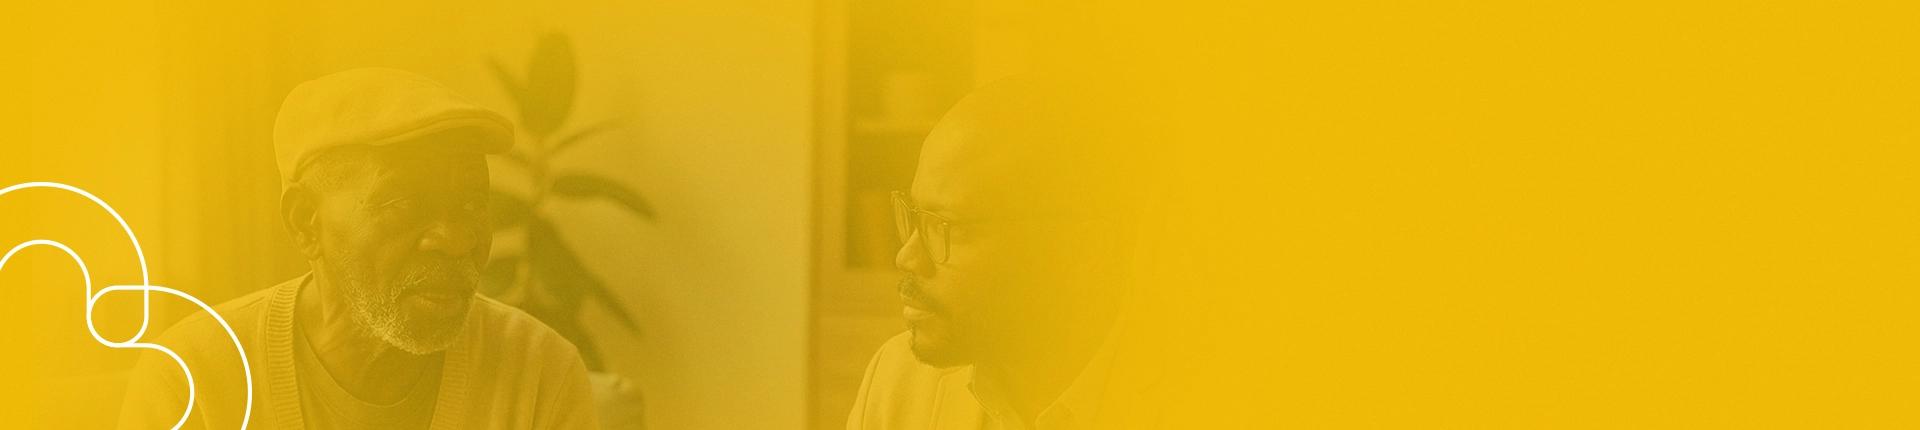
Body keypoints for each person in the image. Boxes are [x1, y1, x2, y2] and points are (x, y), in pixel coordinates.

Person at [118, 68, 599, 430]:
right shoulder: (194, 378)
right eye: (404, 203)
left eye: (473, 203)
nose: (455, 239)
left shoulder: (540, 375)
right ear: (306, 222)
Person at [845, 74, 1159, 430]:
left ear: (1081, 252)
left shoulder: (1203, 394)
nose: (906, 257)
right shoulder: (899, 379)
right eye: (914, 215)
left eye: (950, 227)